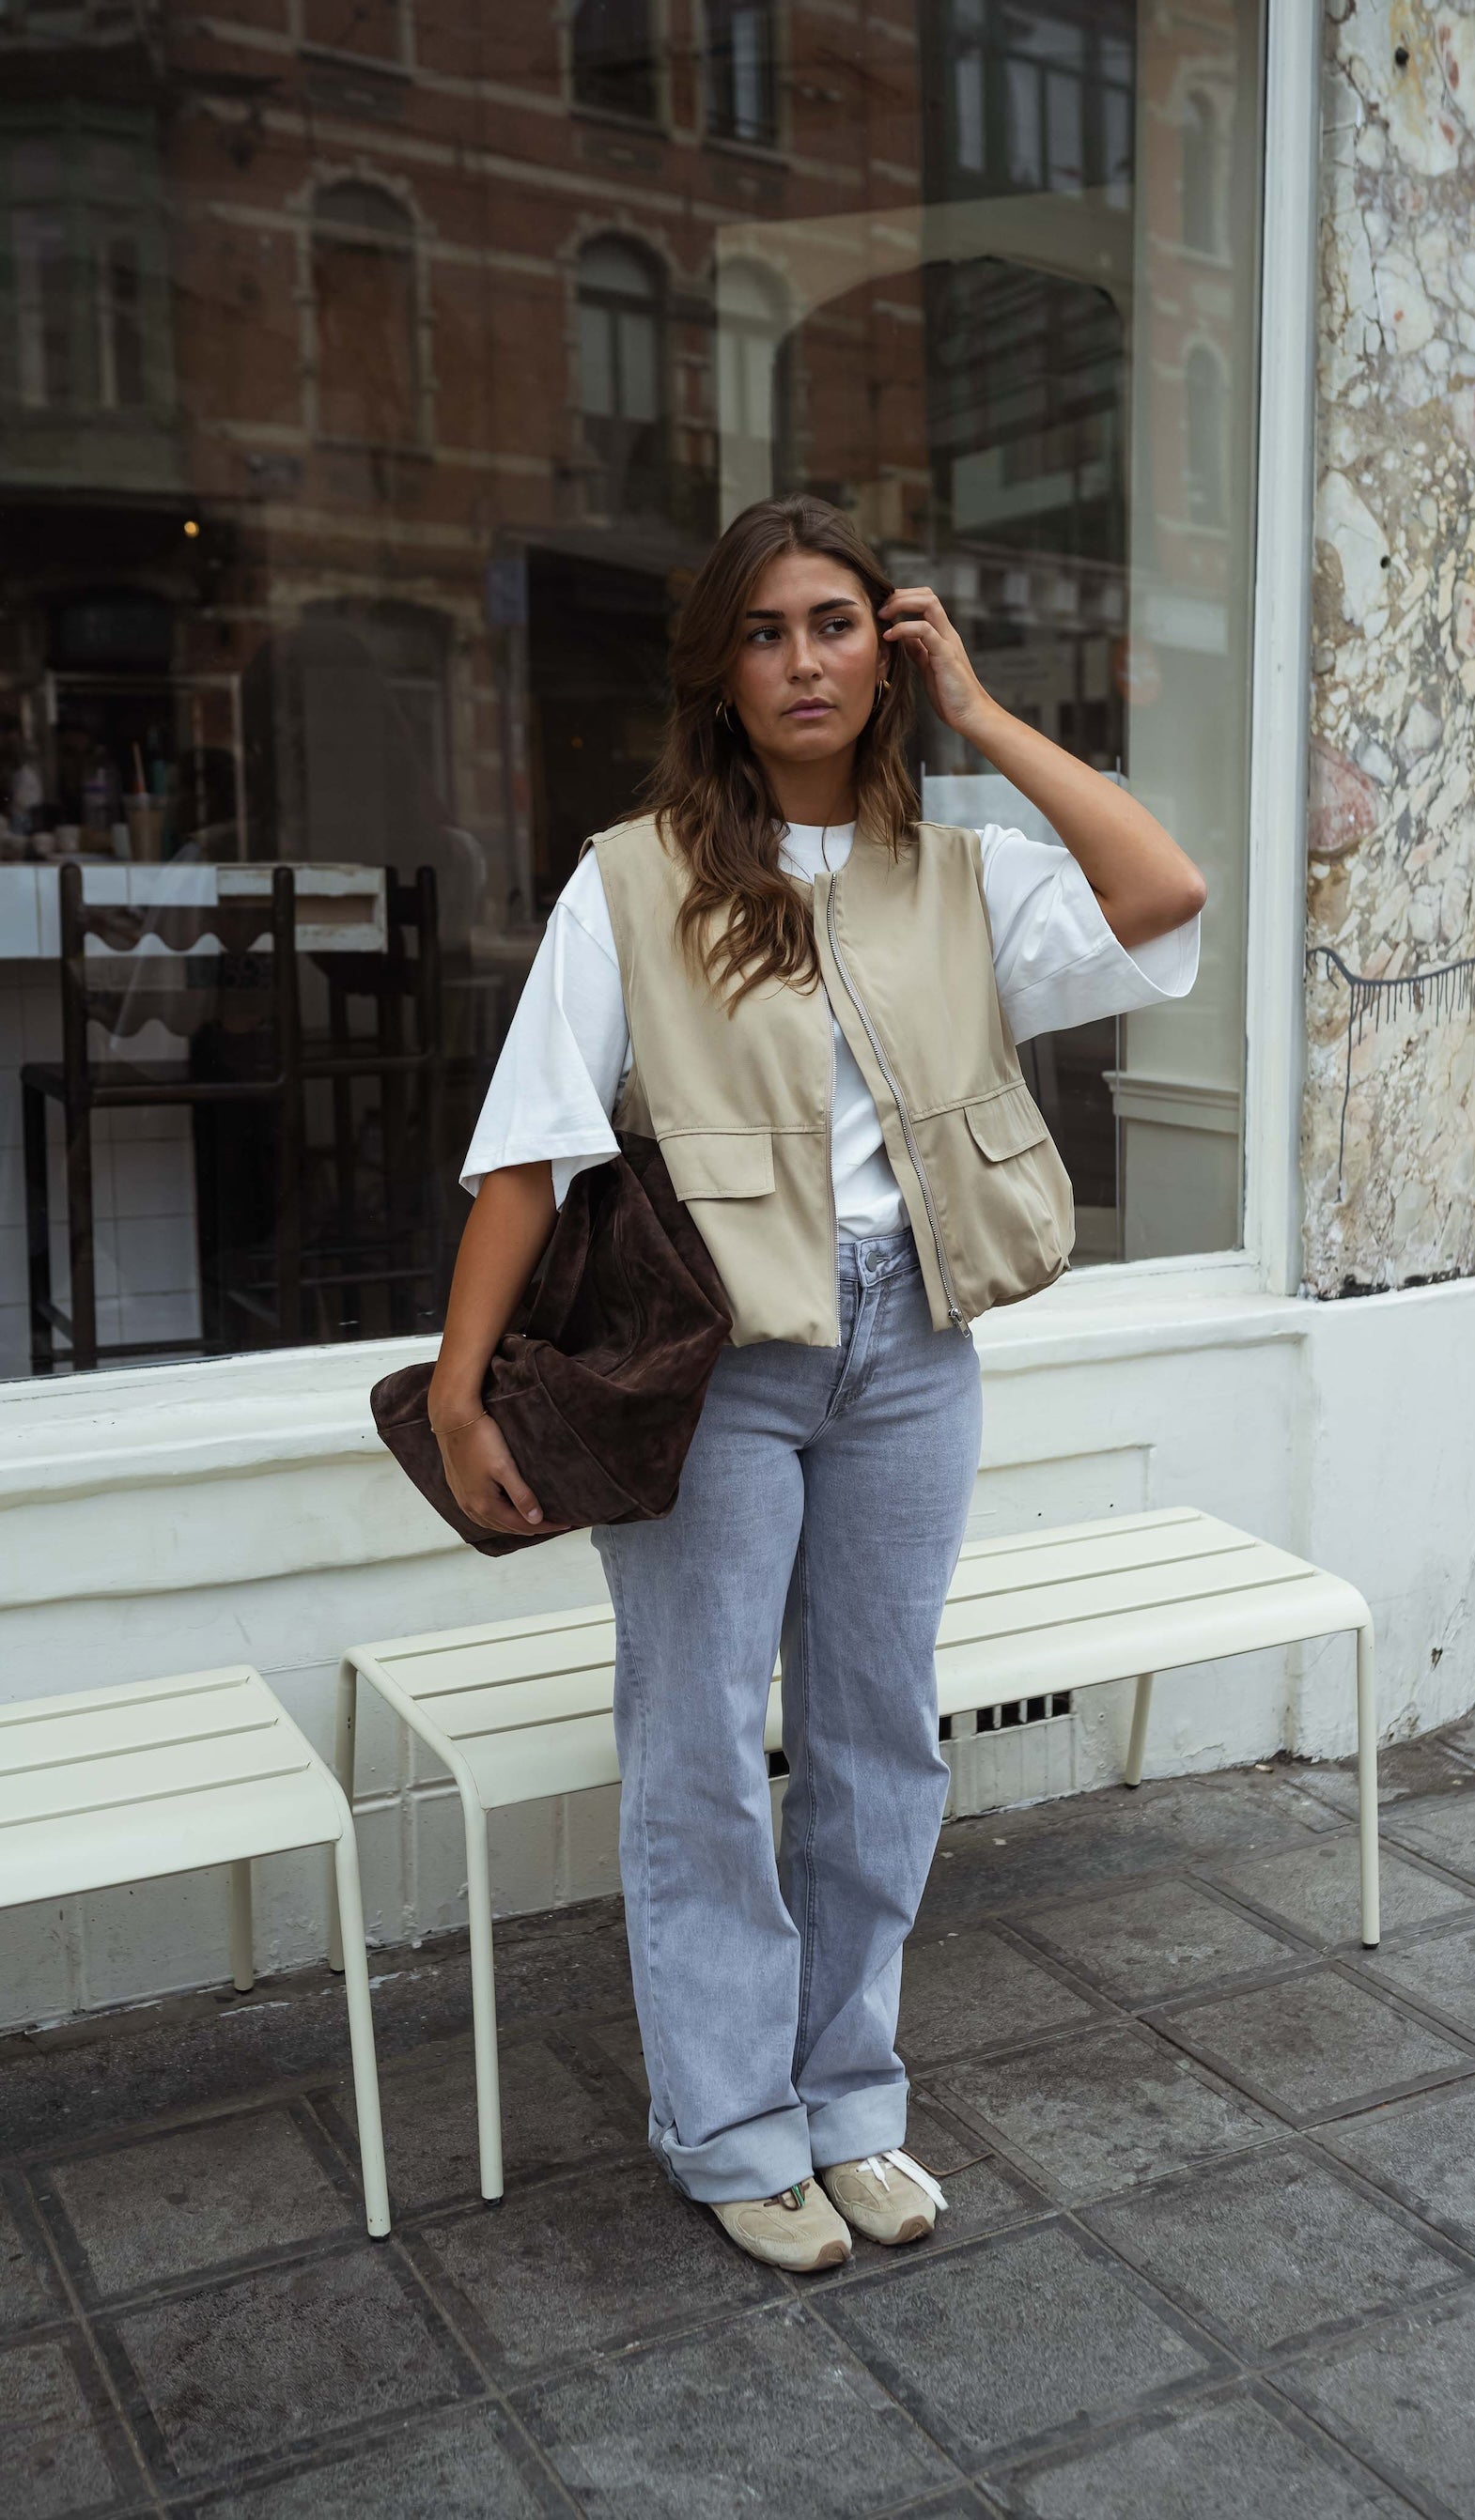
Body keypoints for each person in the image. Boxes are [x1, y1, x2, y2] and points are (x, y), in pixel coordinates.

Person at [433, 494, 1206, 2272]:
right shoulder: (633, 876)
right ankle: (726, 2125)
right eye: (769, 630)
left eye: (841, 625)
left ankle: (847, 2101)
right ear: (722, 664)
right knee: (697, 1749)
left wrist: (989, 719)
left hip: (913, 1349)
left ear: (891, 648)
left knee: (877, 1743)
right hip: (714, 1363)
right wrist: (465, 1391)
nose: (806, 660)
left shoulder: (964, 867)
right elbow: (528, 1151)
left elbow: (1158, 892)